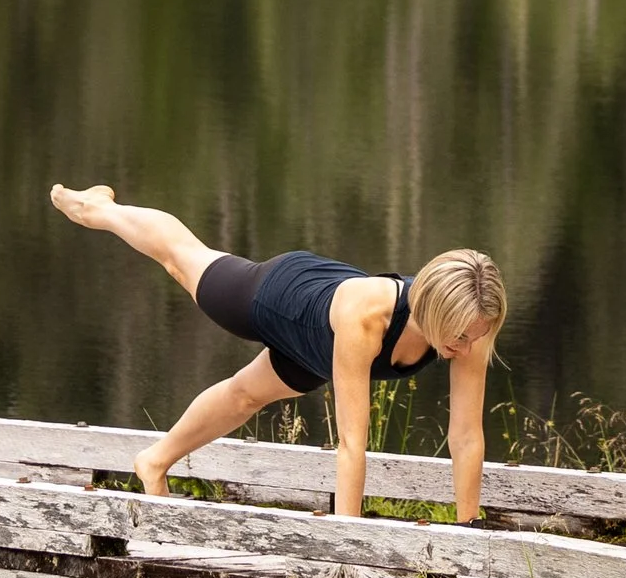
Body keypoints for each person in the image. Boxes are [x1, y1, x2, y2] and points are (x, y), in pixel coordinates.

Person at [50, 182, 506, 522]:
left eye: (475, 336)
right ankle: (99, 207)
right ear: (434, 309)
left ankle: (153, 461)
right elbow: (351, 444)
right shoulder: (366, 319)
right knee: (183, 259)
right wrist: (350, 541)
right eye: (459, 336)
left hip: (318, 349)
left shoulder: (475, 316)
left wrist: (468, 529)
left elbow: (466, 435)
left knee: (245, 396)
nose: (465, 348)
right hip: (284, 297)